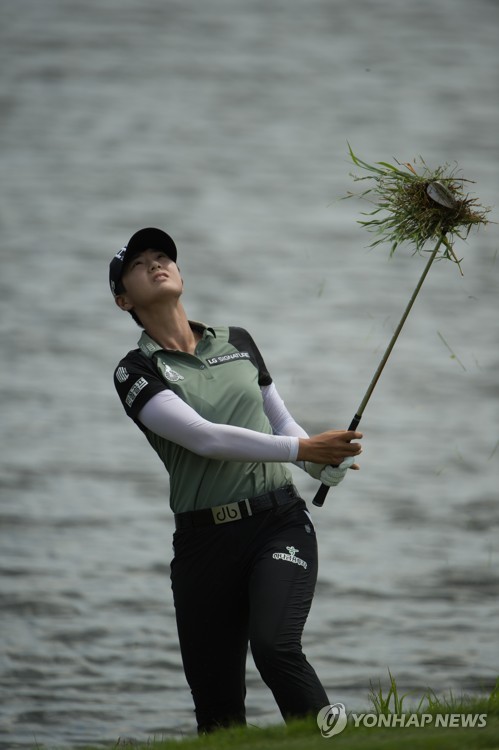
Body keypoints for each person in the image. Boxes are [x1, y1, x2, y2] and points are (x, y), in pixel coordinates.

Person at [110, 227, 362, 734]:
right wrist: (305, 450)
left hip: (277, 524)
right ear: (123, 299)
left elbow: (281, 423)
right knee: (219, 711)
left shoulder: (239, 342)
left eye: (164, 257)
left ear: (180, 273)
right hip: (203, 546)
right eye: (140, 264)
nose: (157, 264)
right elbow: (204, 438)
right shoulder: (134, 370)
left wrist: (317, 462)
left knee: (276, 647)